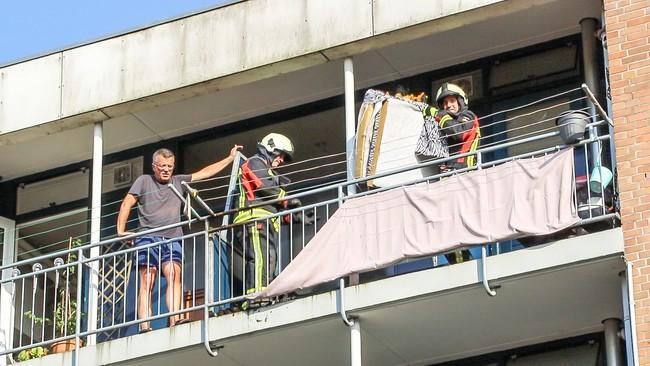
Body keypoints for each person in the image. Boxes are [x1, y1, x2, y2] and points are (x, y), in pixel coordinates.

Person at [117, 145, 241, 332]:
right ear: (154, 166)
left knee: (174, 275)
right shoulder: (143, 181)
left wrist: (230, 158)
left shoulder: (179, 181)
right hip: (147, 237)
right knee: (147, 280)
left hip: (172, 238)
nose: (166, 169)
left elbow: (205, 173)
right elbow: (127, 203)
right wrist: (121, 231)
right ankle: (144, 326)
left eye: (170, 166)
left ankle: (175, 320)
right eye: (162, 166)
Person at [232, 133, 311, 309]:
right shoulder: (254, 163)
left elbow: (272, 205)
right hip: (253, 220)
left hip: (265, 222)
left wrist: (296, 216)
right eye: (281, 155)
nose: (282, 160)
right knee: (261, 257)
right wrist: (286, 198)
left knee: (269, 258)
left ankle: (265, 293)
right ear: (271, 149)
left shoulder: (268, 171)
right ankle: (256, 296)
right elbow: (264, 186)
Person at [425, 83, 481, 264]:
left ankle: (464, 262)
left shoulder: (468, 116)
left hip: (464, 178)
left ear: (460, 102)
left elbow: (458, 132)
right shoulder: (444, 123)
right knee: (445, 225)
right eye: (444, 103)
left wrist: (439, 116)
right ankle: (458, 261)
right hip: (448, 180)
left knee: (456, 224)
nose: (448, 106)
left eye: (451, 101)